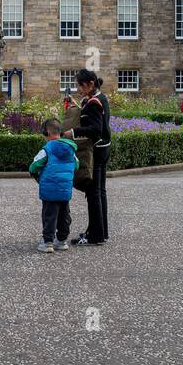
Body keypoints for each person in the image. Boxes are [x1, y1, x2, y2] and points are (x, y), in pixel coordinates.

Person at [65, 70, 110, 246]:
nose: (79, 89)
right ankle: (101, 232)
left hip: (97, 151)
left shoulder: (94, 103)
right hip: (105, 148)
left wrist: (73, 132)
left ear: (90, 84)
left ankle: (95, 236)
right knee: (100, 192)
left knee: (93, 194)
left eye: (80, 85)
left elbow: (94, 130)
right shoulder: (100, 98)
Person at [30, 118, 78, 253]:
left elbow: (34, 165)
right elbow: (76, 165)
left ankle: (48, 243)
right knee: (64, 215)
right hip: (64, 190)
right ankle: (62, 241)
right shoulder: (70, 149)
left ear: (47, 133)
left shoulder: (47, 149)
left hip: (49, 191)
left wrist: (34, 172)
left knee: (49, 216)